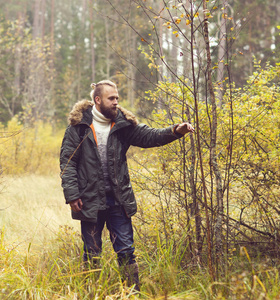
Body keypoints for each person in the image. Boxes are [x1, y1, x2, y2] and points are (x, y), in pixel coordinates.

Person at [59, 80, 194, 291]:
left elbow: (150, 136)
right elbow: (68, 164)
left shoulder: (122, 124)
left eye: (117, 98)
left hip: (118, 200)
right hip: (89, 200)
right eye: (111, 98)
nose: (116, 102)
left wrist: (175, 131)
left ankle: (132, 293)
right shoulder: (78, 127)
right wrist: (72, 194)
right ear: (97, 100)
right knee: (92, 252)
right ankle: (91, 292)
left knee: (126, 251)